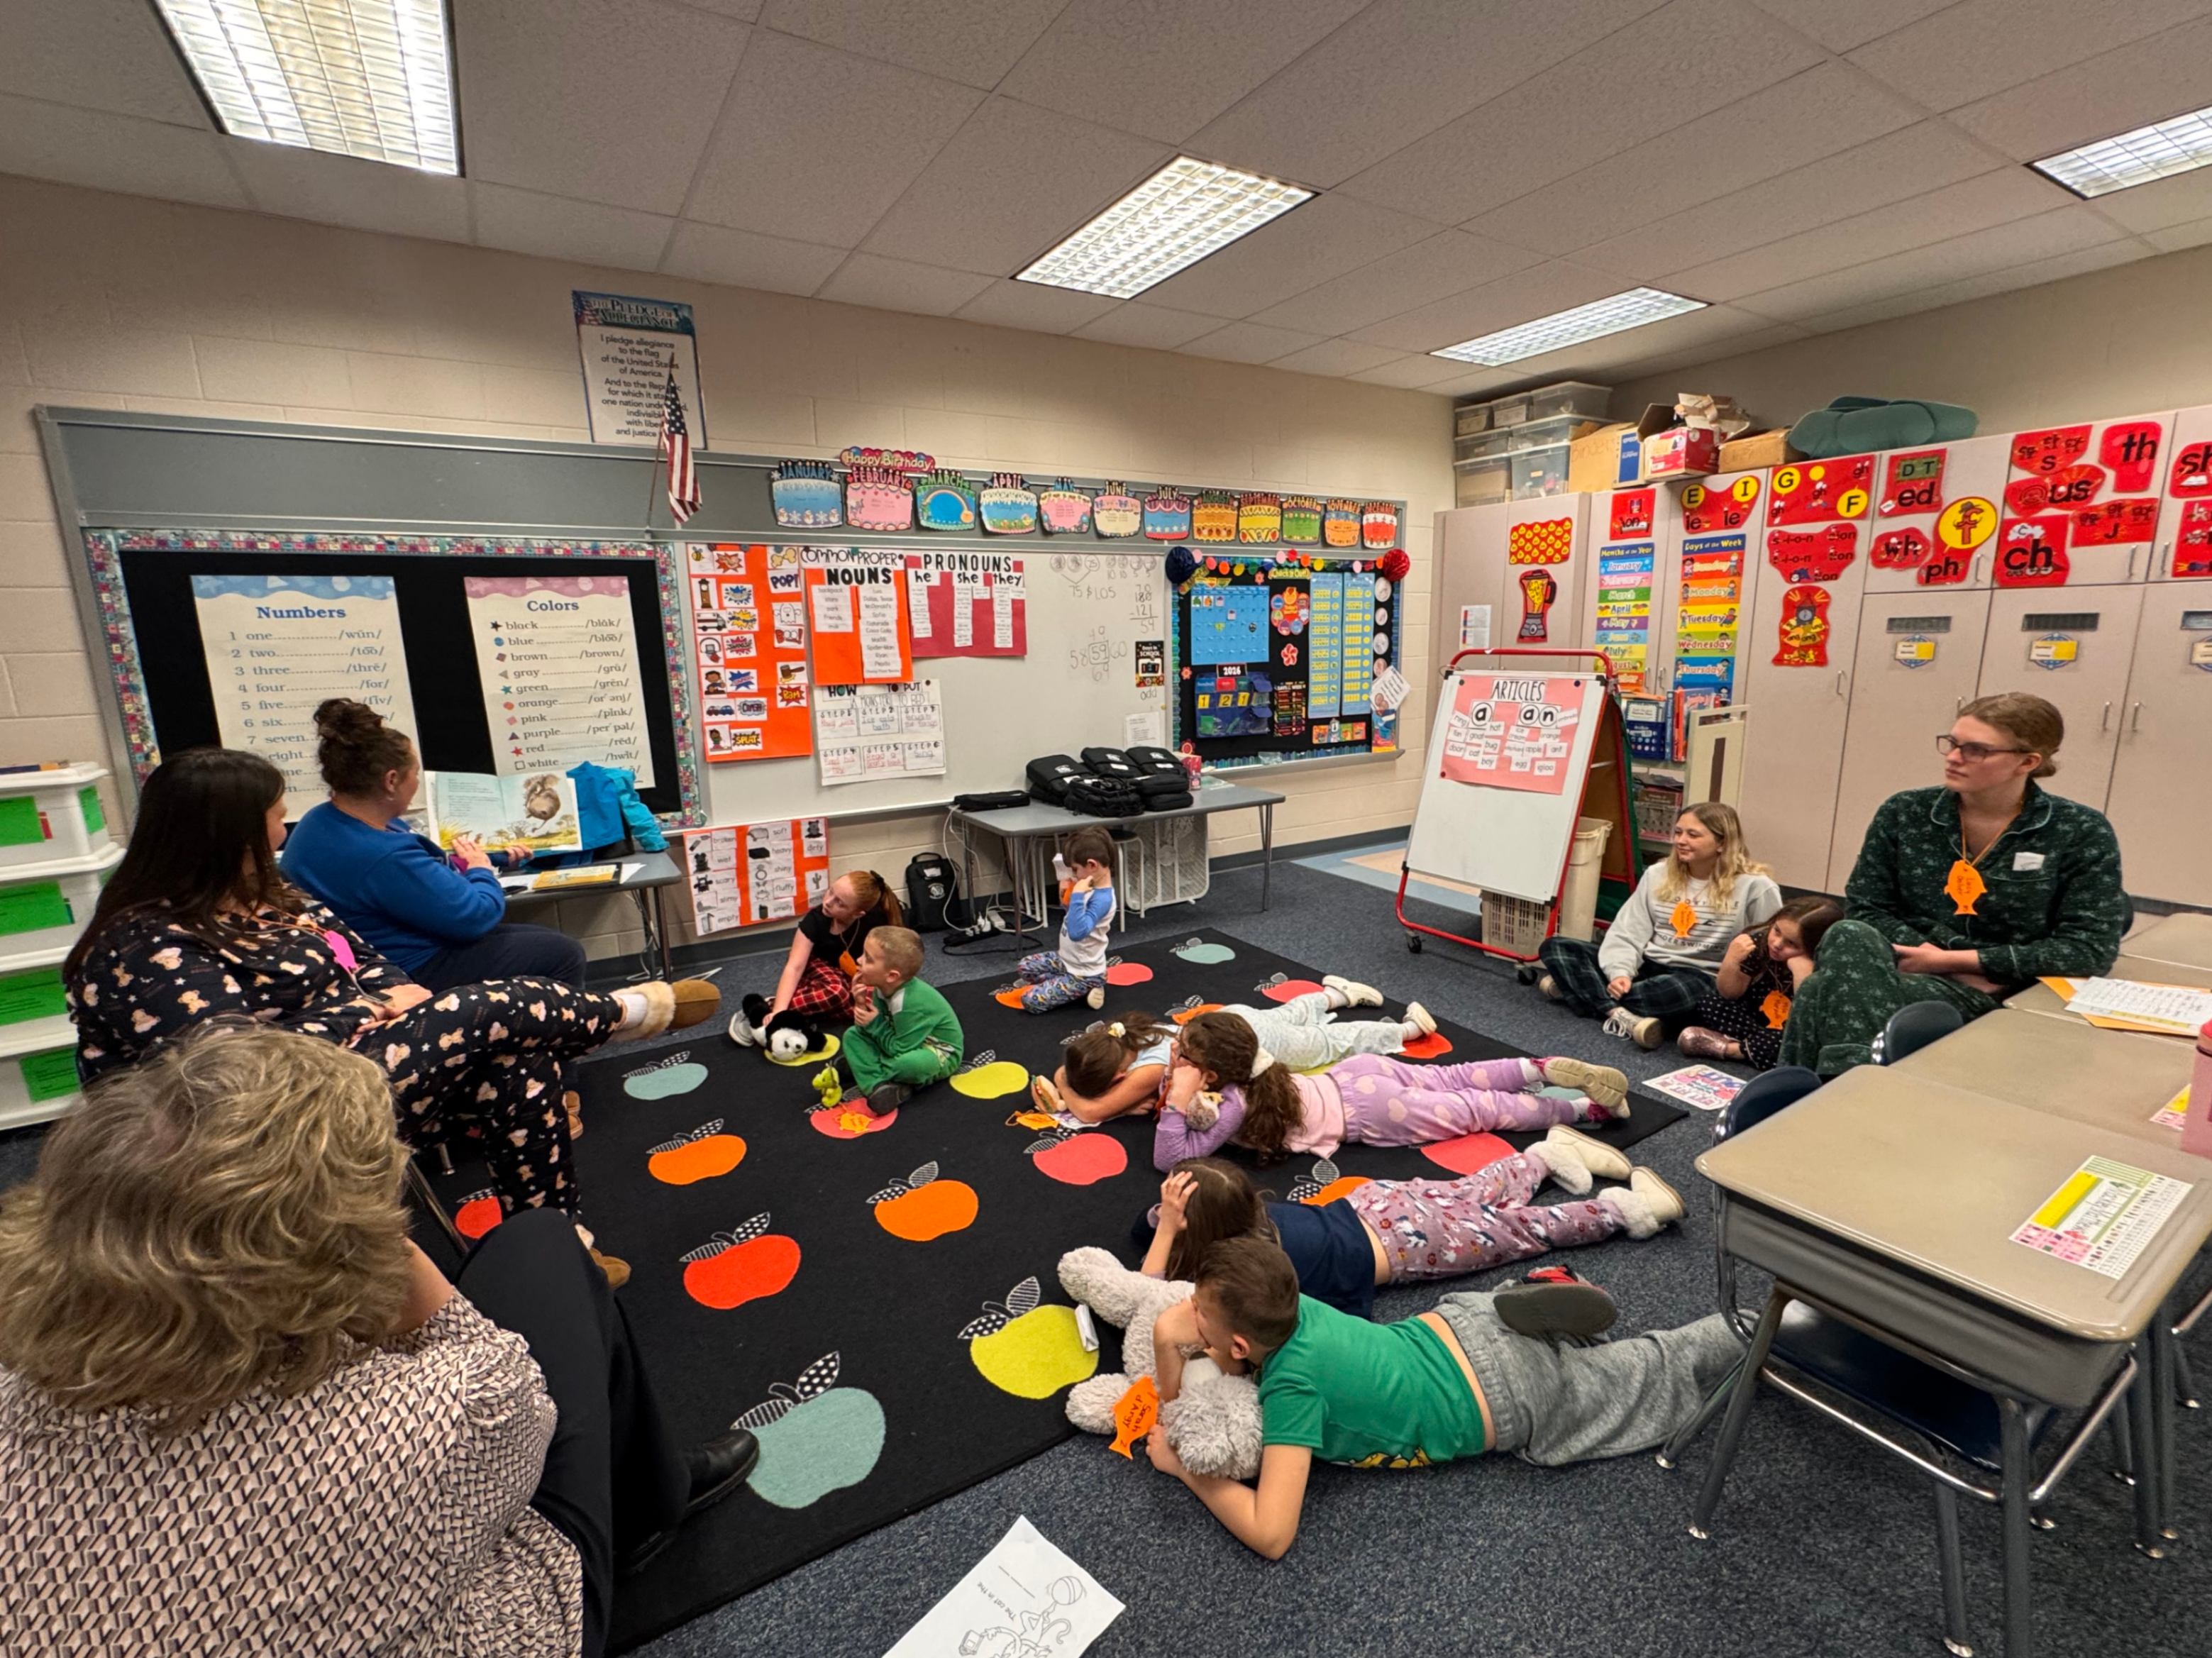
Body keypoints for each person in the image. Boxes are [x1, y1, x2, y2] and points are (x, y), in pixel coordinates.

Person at [0, 1025, 757, 1658]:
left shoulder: (19, 1382)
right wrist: (376, 1232)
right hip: (498, 1617)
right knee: (545, 1246)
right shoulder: (421, 1418)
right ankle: (648, 1511)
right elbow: (514, 1400)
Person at [63, 748, 719, 1280]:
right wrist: (369, 1010)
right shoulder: (142, 943)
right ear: (223, 834)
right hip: (255, 1133)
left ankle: (559, 1251)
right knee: (490, 1004)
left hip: (361, 1073)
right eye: (273, 816)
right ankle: (628, 1010)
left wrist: (379, 998)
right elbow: (230, 1068)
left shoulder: (268, 892)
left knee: (516, 1056)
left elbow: (369, 961)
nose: (283, 829)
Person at [1143, 1237, 1740, 1557]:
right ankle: (1545, 1296)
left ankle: (1774, 1322)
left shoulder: (1293, 1389)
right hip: (1465, 1321)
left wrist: (1184, 1470)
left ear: (1243, 1345)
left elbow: (1272, 1534)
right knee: (1557, 1344)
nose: (1187, 1319)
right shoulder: (1290, 1305)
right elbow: (1205, 1376)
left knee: (1655, 1368)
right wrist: (1168, 1339)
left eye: (1196, 1313)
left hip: (1505, 1392)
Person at [1782, 693, 2128, 1075]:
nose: (1953, 757)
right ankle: (1847, 1085)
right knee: (1848, 932)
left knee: (1819, 991)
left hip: (2002, 990)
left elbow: (2089, 949)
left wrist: (1964, 962)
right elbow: (1868, 907)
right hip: (1902, 967)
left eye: (1975, 750)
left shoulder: (2078, 830)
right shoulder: (1906, 812)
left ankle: (1814, 1096)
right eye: (1952, 743)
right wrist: (1931, 957)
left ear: (2027, 762)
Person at [1137, 1151, 1683, 1320]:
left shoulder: (1238, 1265)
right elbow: (1151, 1224)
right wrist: (1170, 1214)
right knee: (1471, 1192)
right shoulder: (1252, 1217)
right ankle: (1538, 1158)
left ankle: (1621, 1211)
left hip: (1406, 1243)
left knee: (1518, 1230)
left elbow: (1149, 1291)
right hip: (1370, 1201)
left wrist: (1168, 1228)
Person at [282, 698, 589, 992]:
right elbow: (475, 917)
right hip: (405, 970)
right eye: (415, 773)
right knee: (562, 952)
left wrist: (486, 858)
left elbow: (423, 872)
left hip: (363, 959)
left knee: (533, 937)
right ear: (391, 781)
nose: (417, 780)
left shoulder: (321, 821)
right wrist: (481, 871)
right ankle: (552, 1035)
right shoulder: (382, 854)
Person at [1151, 1007, 1629, 1171]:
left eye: (1182, 1053)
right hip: (1355, 1073)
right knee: (1454, 1075)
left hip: (1375, 1114)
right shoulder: (1257, 1073)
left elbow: (1170, 1157)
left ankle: (1586, 1110)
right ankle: (1536, 1066)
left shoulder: (1232, 1104)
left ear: (1209, 1075)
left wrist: (1175, 1100)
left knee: (1477, 1108)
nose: (1173, 1054)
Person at [1534, 802, 1783, 1049]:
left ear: (1722, 843)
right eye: (1678, 832)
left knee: (1674, 993)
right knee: (1556, 947)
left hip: (1701, 978)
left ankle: (1579, 990)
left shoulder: (1756, 887)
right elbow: (1627, 931)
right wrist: (1620, 973)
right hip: (1648, 966)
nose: (1681, 841)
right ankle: (1617, 1013)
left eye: (1693, 835)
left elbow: (1767, 955)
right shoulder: (1657, 874)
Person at [1034, 976, 1432, 1125]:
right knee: (1289, 1013)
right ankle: (1335, 994)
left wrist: (1070, 1095)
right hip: (1229, 1018)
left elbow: (1089, 1112)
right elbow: (1068, 1069)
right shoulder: (1119, 1034)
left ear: (1118, 1078)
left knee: (1328, 1044)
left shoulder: (1148, 1073)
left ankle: (1410, 1029)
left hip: (1251, 1042)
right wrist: (1068, 1080)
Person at [726, 868, 902, 1045]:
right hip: (816, 966)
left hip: (853, 970)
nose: (828, 902)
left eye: (840, 903)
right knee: (836, 992)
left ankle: (808, 1014)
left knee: (871, 1002)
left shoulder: (875, 920)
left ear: (858, 913)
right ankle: (763, 1011)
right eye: (831, 892)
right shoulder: (816, 919)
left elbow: (884, 962)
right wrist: (779, 1011)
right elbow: (794, 967)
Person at [1675, 896, 1842, 1068]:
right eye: (1776, 931)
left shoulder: (1824, 966)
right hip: (1756, 1018)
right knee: (1709, 1004)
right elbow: (1729, 994)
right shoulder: (1761, 943)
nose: (1777, 944)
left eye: (1791, 943)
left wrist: (1803, 978)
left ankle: (1732, 1049)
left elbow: (1809, 1024)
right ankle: (1756, 1046)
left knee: (1794, 1049)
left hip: (1791, 1029)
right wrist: (1731, 961)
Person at [829, 924, 964, 1112]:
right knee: (852, 1036)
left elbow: (899, 1048)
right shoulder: (882, 988)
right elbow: (870, 1028)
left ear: (891, 976)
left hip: (937, 1052)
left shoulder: (911, 1002)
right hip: (900, 1040)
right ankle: (878, 1084)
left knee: (910, 1064)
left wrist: (874, 1025)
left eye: (868, 959)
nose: (858, 960)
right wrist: (860, 1004)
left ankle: (870, 1073)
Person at [1007, 827, 1117, 1013]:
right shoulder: (1087, 885)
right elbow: (1071, 914)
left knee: (1031, 1001)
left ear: (1092, 865)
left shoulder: (1103, 899)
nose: (1073, 875)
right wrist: (1066, 895)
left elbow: (1077, 932)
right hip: (1066, 960)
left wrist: (1077, 896)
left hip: (1083, 972)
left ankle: (1090, 984)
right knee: (1025, 967)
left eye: (1075, 869)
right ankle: (1071, 988)